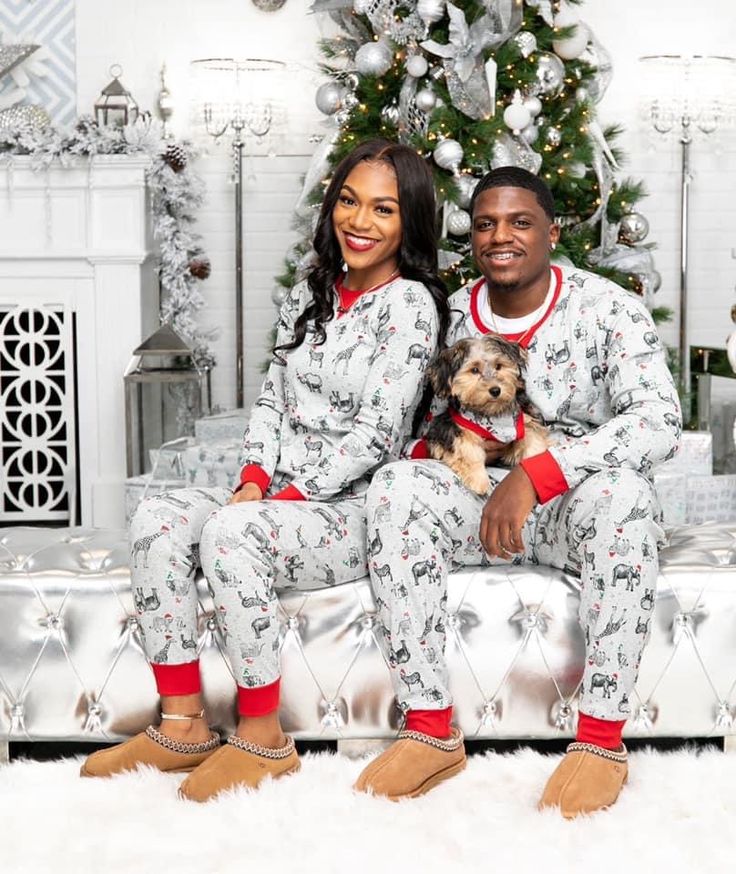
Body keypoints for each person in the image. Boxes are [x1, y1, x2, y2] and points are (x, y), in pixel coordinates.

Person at [81, 138, 449, 800]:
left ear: (409, 222)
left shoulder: (412, 306)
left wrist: (287, 494)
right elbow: (274, 396)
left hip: (349, 510)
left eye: (383, 210)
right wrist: (254, 477)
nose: (359, 221)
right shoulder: (312, 288)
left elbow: (377, 434)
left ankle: (261, 736)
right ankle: (183, 724)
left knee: (230, 534)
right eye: (349, 200)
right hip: (274, 494)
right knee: (160, 514)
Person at [354, 166, 681, 816]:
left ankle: (599, 741)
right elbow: (399, 422)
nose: (501, 236)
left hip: (568, 500)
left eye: (520, 222)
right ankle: (428, 729)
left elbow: (658, 422)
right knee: (395, 486)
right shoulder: (442, 316)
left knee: (626, 498)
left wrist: (538, 475)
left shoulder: (610, 309)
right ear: (471, 236)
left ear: (552, 232)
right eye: (485, 224)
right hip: (468, 495)